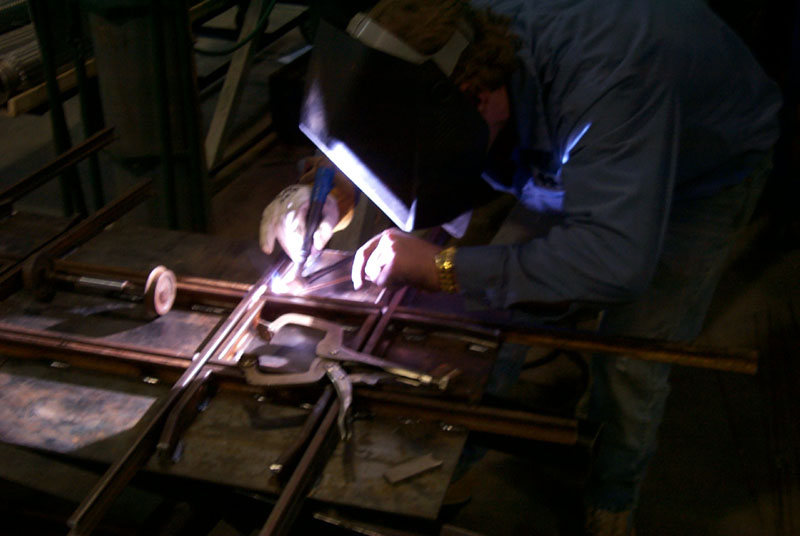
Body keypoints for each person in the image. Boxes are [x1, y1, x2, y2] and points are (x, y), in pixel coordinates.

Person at [260, 0, 782, 533]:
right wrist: (335, 192)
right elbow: (389, 118)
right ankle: (452, 458)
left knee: (632, 357)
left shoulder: (607, 83)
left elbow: (616, 261)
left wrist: (442, 268)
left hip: (701, 172)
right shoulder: (458, 42)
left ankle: (613, 495)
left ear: (473, 100)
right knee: (490, 312)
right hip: (579, 142)